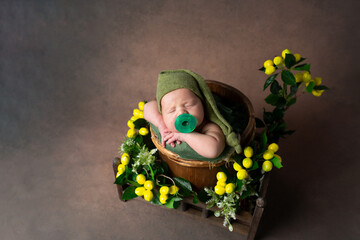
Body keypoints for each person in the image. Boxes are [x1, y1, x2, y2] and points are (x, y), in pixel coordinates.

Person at [143, 69, 242, 159]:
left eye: (188, 105)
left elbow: (213, 150)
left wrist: (184, 136)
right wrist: (161, 124)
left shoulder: (208, 126)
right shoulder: (164, 123)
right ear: (162, 114)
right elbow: (147, 107)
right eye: (171, 110)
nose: (181, 112)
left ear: (203, 105)